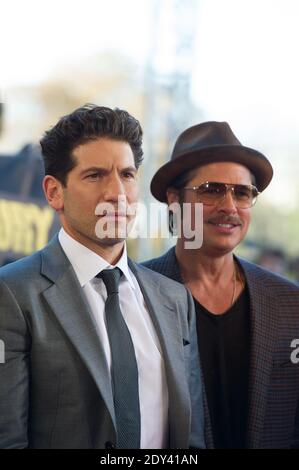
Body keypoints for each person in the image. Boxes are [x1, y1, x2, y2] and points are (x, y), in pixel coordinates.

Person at [0, 105, 205, 449]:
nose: (117, 194)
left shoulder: (174, 299)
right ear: (54, 192)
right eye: (95, 175)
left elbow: (192, 436)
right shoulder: (14, 293)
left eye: (126, 174)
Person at [143, 121, 299, 449]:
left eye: (242, 193)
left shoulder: (289, 303)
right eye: (211, 190)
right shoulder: (136, 295)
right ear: (174, 199)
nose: (229, 206)